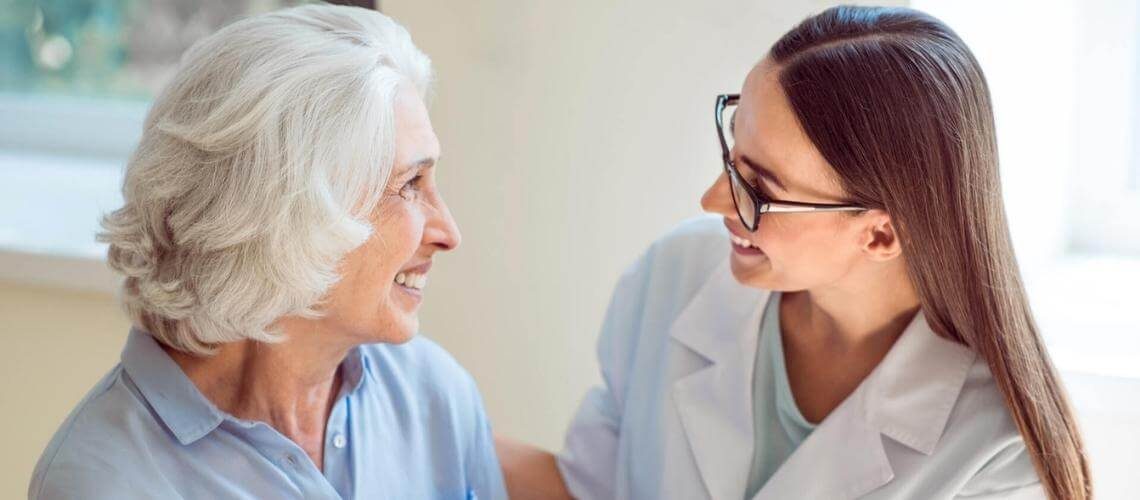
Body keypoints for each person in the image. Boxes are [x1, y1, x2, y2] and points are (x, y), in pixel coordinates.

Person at [497, 6, 1091, 500]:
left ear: (880, 235)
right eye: (732, 155)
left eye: (760, 190)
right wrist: (418, 394)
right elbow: (587, 488)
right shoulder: (676, 274)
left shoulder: (997, 456)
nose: (712, 200)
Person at [29, 5, 506, 499]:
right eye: (411, 183)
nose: (449, 231)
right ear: (288, 213)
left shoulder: (435, 395)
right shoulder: (104, 480)